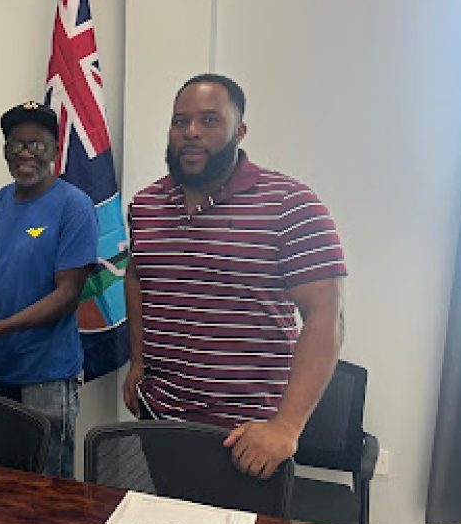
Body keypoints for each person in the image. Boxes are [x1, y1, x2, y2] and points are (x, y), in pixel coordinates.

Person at [124, 73, 346, 479]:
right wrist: (137, 362)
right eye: (180, 121)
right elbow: (138, 277)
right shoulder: (145, 206)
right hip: (161, 417)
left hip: (249, 436)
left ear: (239, 131)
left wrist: (287, 427)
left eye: (209, 121)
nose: (191, 132)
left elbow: (325, 314)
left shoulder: (290, 205)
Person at [0, 102, 99, 478]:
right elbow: (5, 271)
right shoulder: (2, 200)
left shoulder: (74, 206)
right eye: (15, 145)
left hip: (46, 372)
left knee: (47, 479)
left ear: (55, 151)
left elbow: (68, 293)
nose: (24, 153)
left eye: (36, 145)